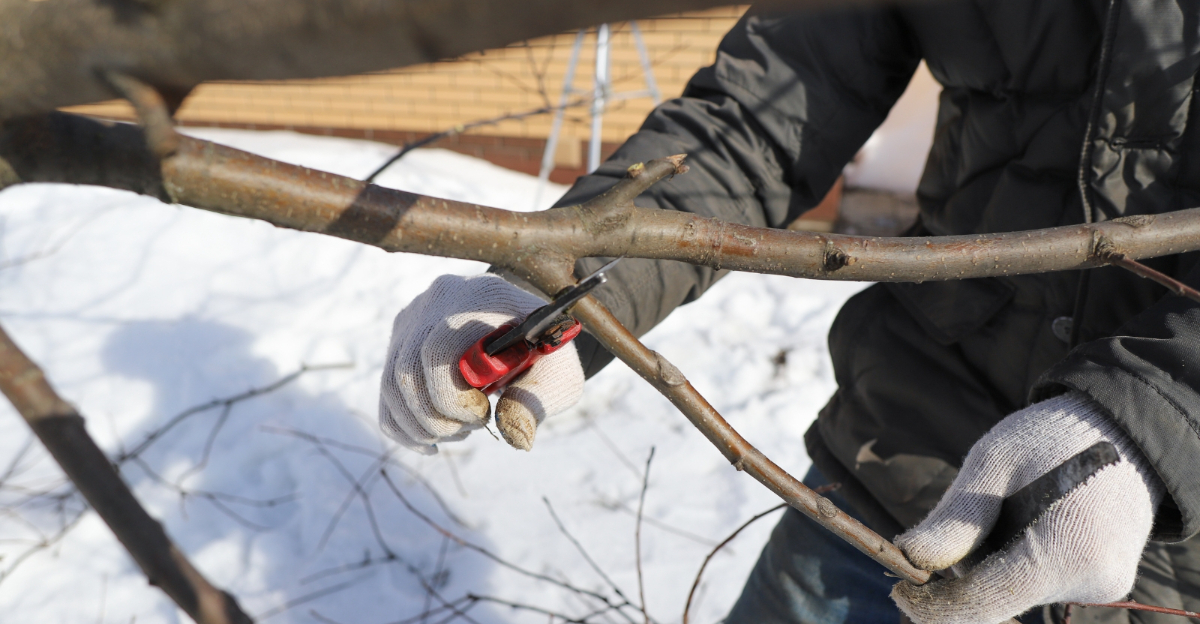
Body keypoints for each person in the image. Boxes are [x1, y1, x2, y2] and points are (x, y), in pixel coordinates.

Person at [378, 2, 1200, 622]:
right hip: (897, 476)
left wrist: (1162, 419)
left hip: (1172, 577)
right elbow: (766, 113)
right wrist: (557, 282)